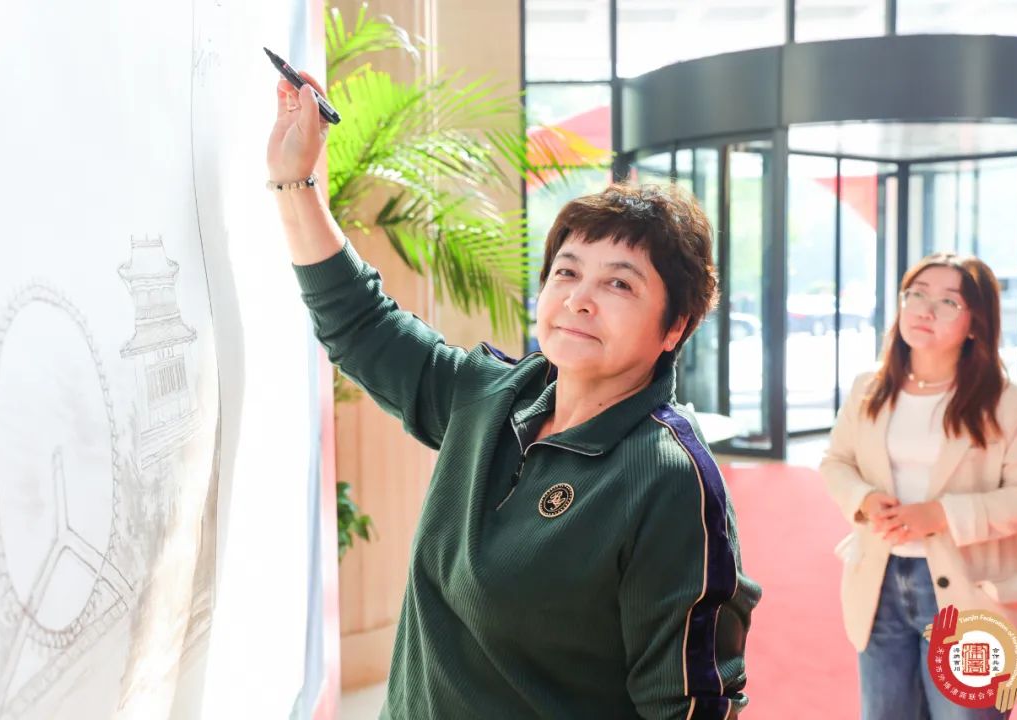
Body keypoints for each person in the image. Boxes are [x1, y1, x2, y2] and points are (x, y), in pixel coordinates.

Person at [267, 73, 761, 718]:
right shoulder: (491, 396)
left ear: (676, 327)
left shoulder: (667, 479)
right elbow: (361, 324)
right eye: (567, 272)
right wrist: (295, 182)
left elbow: (690, 708)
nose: (579, 299)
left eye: (619, 284)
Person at [821, 252, 1017, 719]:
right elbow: (836, 461)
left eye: (947, 302)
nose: (925, 310)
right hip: (879, 581)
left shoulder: (1010, 402)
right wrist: (865, 499)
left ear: (976, 323)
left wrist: (941, 515)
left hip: (971, 587)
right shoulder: (869, 388)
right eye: (916, 295)